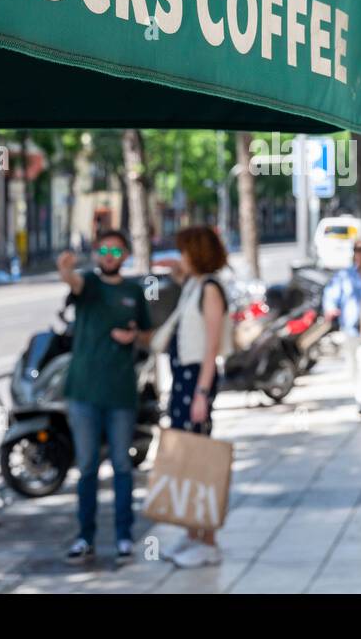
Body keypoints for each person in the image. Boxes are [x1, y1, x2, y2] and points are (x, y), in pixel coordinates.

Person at [56, 231, 153, 564]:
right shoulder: (89, 285)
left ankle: (125, 536)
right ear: (96, 254)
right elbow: (72, 282)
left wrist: (134, 336)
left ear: (125, 254)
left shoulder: (134, 291)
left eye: (115, 249)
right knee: (86, 468)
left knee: (122, 467)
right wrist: (65, 269)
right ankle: (85, 536)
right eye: (103, 250)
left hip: (121, 393)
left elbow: (148, 335)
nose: (109, 255)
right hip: (83, 392)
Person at [153, 225, 232, 569]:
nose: (181, 257)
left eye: (186, 251)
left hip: (196, 380)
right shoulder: (194, 285)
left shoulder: (210, 289)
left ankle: (208, 539)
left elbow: (211, 346)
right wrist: (175, 268)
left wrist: (201, 392)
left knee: (199, 459)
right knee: (187, 457)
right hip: (184, 379)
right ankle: (192, 535)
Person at [323, 239, 361, 418]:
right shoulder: (345, 275)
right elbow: (331, 294)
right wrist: (330, 308)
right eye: (358, 250)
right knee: (353, 366)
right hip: (350, 328)